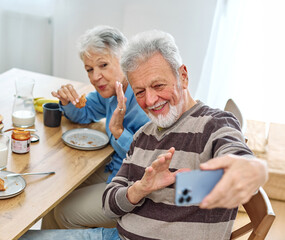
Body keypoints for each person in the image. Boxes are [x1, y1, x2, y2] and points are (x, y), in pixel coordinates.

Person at [21, 30, 267, 240]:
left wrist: (251, 169)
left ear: (183, 76)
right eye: (139, 91)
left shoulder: (213, 124)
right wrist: (137, 190)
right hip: (118, 232)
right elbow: (110, 201)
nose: (149, 100)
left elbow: (237, 159)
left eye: (158, 86)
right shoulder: (144, 133)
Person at [41, 26, 149, 230]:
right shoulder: (109, 91)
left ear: (125, 60)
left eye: (103, 65)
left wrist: (119, 132)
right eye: (90, 69)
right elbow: (83, 113)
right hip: (114, 169)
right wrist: (67, 102)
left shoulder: (145, 100)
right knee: (53, 196)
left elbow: (148, 157)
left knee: (64, 212)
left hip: (134, 188)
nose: (95, 76)